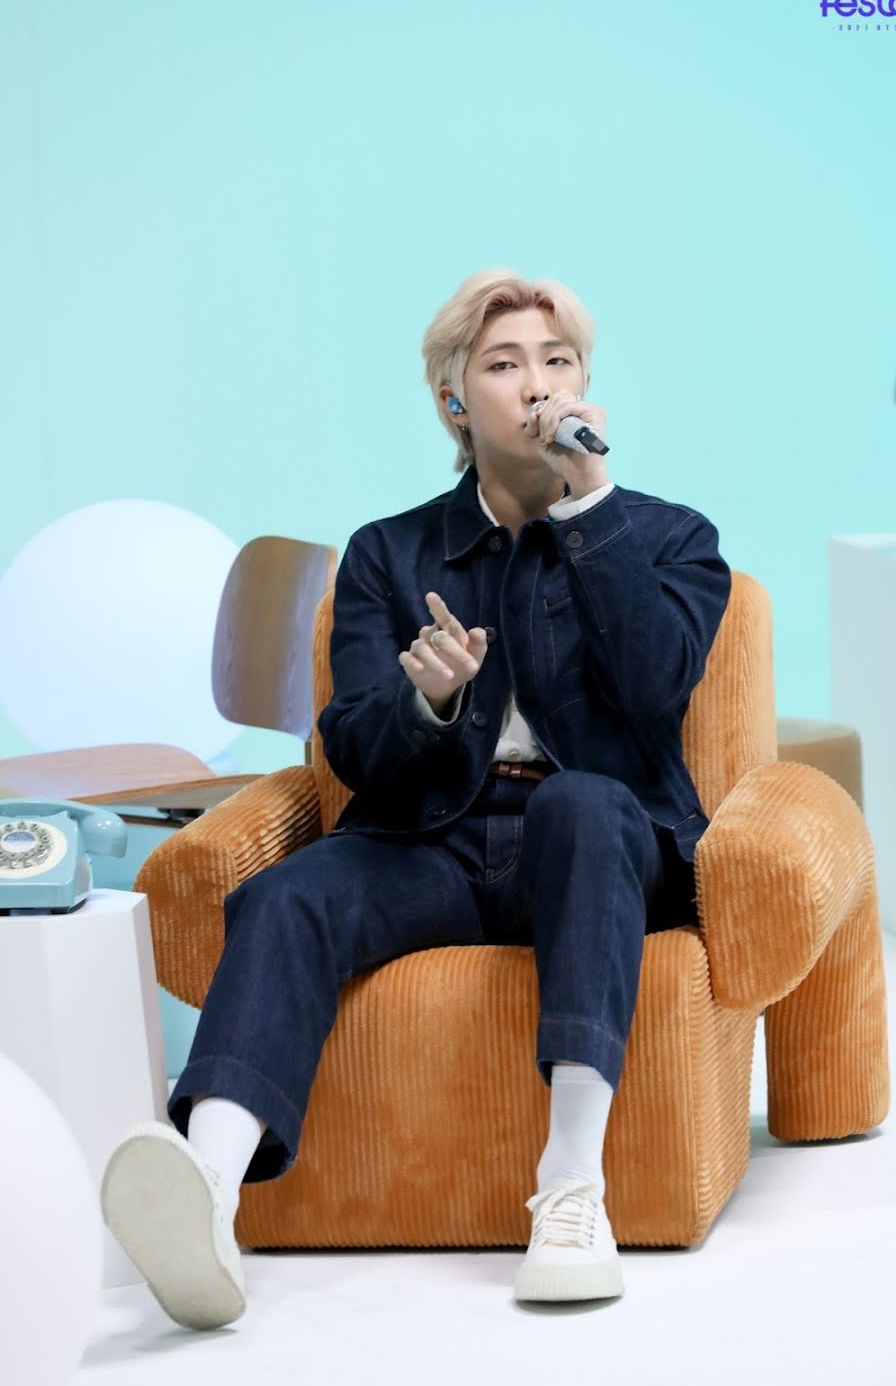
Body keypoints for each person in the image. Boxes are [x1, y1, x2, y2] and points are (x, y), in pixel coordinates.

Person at [101, 268, 732, 1328]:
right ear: (454, 402)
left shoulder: (667, 536)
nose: (537, 384)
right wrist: (425, 703)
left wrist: (589, 503)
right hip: (433, 840)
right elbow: (351, 746)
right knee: (289, 894)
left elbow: (657, 685)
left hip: (598, 846)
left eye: (558, 360)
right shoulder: (388, 555)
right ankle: (206, 1199)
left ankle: (572, 1190)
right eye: (505, 363)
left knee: (582, 805)